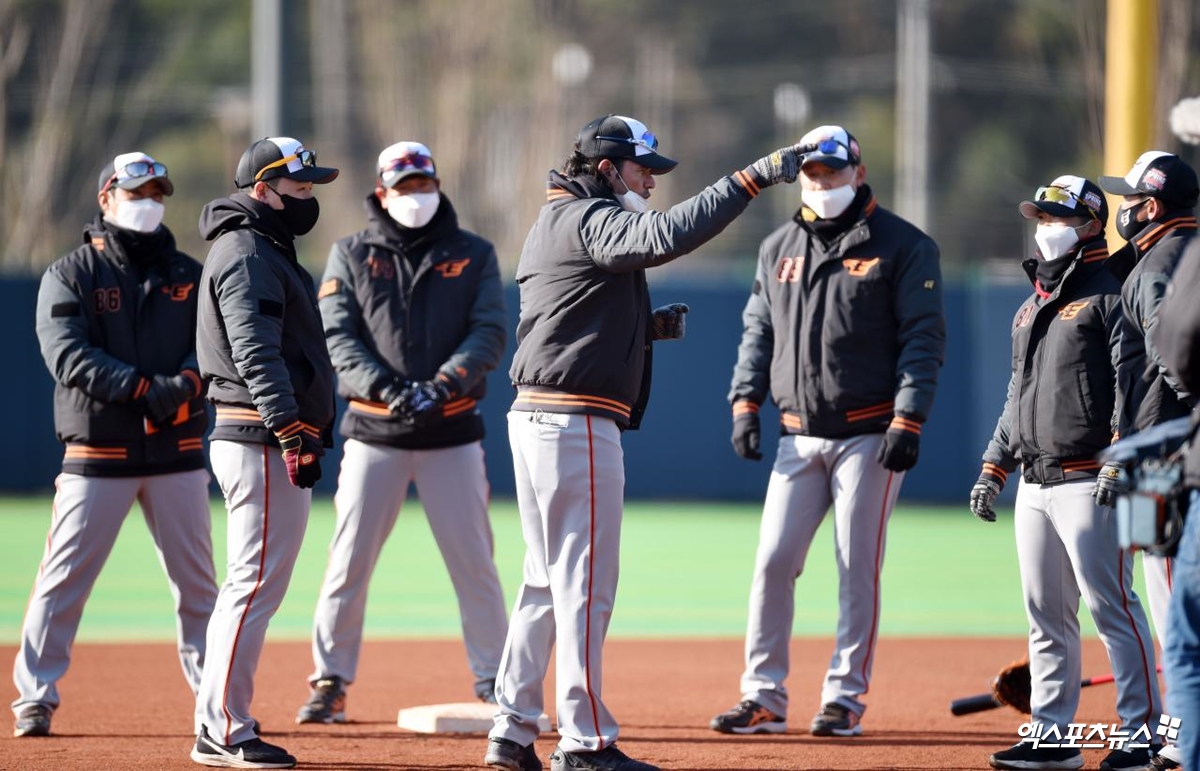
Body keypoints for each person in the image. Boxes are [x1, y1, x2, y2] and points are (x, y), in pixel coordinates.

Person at [484, 114, 806, 771]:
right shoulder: (585, 219)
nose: (651, 183)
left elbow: (557, 316)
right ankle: (585, 740)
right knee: (583, 585)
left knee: (546, 582)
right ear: (606, 169)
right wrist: (751, 178)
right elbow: (662, 236)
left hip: (544, 415)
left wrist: (641, 327)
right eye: (642, 170)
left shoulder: (560, 221)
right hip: (572, 422)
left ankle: (512, 730)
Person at [710, 125, 945, 740]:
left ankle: (844, 698)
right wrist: (743, 402)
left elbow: (924, 339)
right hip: (797, 434)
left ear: (858, 174)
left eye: (833, 172)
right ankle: (763, 696)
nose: (822, 182)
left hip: (870, 434)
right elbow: (758, 331)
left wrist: (909, 415)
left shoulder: (904, 246)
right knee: (771, 563)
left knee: (855, 567)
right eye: (812, 173)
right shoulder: (778, 246)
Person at [295, 141, 509, 724]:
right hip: (375, 430)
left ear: (437, 186)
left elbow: (489, 330)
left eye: (424, 184)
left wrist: (443, 384)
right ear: (382, 193)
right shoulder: (351, 253)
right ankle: (330, 679)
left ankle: (495, 678)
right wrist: (388, 388)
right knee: (349, 561)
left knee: (475, 562)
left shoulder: (473, 252)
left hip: (452, 430)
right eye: (405, 186)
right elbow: (337, 337)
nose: (416, 195)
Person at [14, 152, 217, 739]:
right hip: (98, 450)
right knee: (63, 579)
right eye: (136, 191)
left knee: (199, 588)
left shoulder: (188, 271)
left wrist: (184, 385)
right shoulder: (70, 272)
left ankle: (214, 699)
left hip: (175, 450)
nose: (148, 200)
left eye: (157, 191)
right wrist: (141, 388)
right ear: (106, 198)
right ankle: (36, 696)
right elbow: (67, 354)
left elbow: (212, 344)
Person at [968, 176, 1162, 771]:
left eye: (1058, 216)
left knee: (1114, 609)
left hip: (1090, 477)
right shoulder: (1033, 303)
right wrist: (994, 463)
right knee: (1047, 617)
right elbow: (1016, 392)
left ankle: (1144, 735)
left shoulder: (1111, 291)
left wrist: (1123, 454)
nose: (1045, 225)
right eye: (1041, 215)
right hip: (1035, 480)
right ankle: (1052, 738)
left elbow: (1135, 382)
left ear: (1089, 224)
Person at [190, 137, 338, 770]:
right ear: (262, 189)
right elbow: (255, 351)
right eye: (298, 186)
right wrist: (288, 429)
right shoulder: (248, 251)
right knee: (249, 588)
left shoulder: (262, 247)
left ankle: (218, 722)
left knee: (250, 586)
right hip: (259, 436)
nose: (308, 196)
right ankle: (222, 729)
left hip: (258, 435)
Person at [1097, 151, 1198, 660]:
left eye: (1131, 197)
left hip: (1162, 453)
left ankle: (1181, 733)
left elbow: (1175, 357)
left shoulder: (1151, 268)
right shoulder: (1192, 253)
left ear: (1152, 208)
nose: (1125, 206)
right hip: (1170, 445)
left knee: (1168, 591)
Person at [1151, 230, 1200, 771]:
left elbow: (1177, 348)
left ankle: (1177, 740)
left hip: (1172, 459)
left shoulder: (1163, 263)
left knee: (1181, 634)